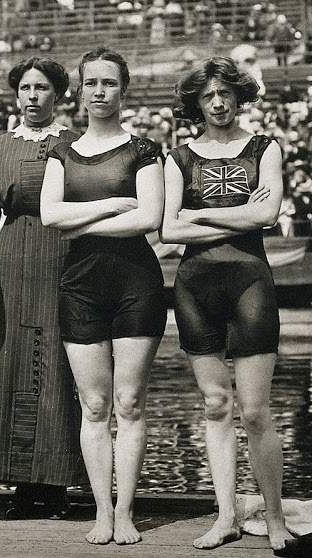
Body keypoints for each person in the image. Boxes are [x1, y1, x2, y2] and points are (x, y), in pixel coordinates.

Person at [160, 56, 293, 551]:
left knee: (256, 410)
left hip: (250, 283)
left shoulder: (264, 147)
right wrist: (244, 212)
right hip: (195, 287)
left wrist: (201, 213)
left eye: (225, 94)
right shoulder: (178, 158)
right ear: (195, 102)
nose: (217, 103)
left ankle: (276, 518)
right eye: (208, 96)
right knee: (216, 406)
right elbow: (169, 229)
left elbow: (270, 213)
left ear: (239, 97)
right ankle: (225, 516)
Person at [40, 46, 166, 545]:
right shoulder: (62, 152)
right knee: (94, 406)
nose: (99, 92)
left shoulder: (144, 149)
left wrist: (82, 219)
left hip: (136, 285)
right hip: (81, 287)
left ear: (124, 89)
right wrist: (114, 202)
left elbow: (150, 219)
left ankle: (128, 509)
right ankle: (102, 512)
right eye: (91, 83)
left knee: (129, 402)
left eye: (109, 83)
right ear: (79, 90)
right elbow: (51, 217)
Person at [0, 56, 86, 520]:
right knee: (9, 366)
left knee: (55, 366)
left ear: (58, 95)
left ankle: (56, 485)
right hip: (9, 261)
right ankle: (18, 484)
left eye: (43, 88)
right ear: (17, 95)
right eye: (26, 89)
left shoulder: (75, 143)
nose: (33, 97)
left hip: (62, 260)